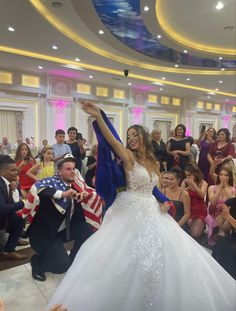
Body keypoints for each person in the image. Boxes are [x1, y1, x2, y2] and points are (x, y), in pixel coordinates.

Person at [48, 101, 235, 311]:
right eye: (129, 137)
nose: (131, 140)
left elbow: (152, 188)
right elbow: (112, 140)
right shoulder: (128, 158)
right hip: (130, 208)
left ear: (144, 138)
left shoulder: (153, 162)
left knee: (161, 253)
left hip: (152, 210)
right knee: (124, 254)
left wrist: (163, 200)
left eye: (135, 136)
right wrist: (99, 117)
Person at [28, 156, 95, 282]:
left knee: (86, 228)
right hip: (46, 235)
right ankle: (37, 262)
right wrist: (63, 194)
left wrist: (83, 197)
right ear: (59, 172)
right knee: (61, 267)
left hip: (64, 231)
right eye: (68, 169)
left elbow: (79, 214)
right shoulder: (50, 184)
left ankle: (73, 260)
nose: (72, 171)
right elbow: (41, 191)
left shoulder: (75, 188)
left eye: (74, 169)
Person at [0, 156, 27, 260]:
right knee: (18, 217)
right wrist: (22, 203)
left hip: (3, 216)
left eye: (16, 170)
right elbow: (2, 209)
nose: (17, 172)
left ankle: (10, 249)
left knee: (19, 218)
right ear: (2, 172)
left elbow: (8, 203)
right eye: (13, 170)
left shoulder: (5, 183)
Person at [181, 163, 208, 239]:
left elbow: (202, 195)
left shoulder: (203, 182)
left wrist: (194, 185)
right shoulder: (185, 182)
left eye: (189, 175)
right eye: (186, 175)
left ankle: (201, 226)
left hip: (199, 210)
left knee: (194, 234)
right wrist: (188, 188)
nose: (187, 177)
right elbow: (180, 196)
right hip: (188, 210)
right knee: (187, 231)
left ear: (195, 173)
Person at [212, 198, 236, 280]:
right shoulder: (231, 202)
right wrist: (220, 223)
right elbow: (226, 226)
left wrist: (228, 216)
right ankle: (219, 275)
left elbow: (228, 217)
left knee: (233, 250)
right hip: (233, 236)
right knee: (220, 243)